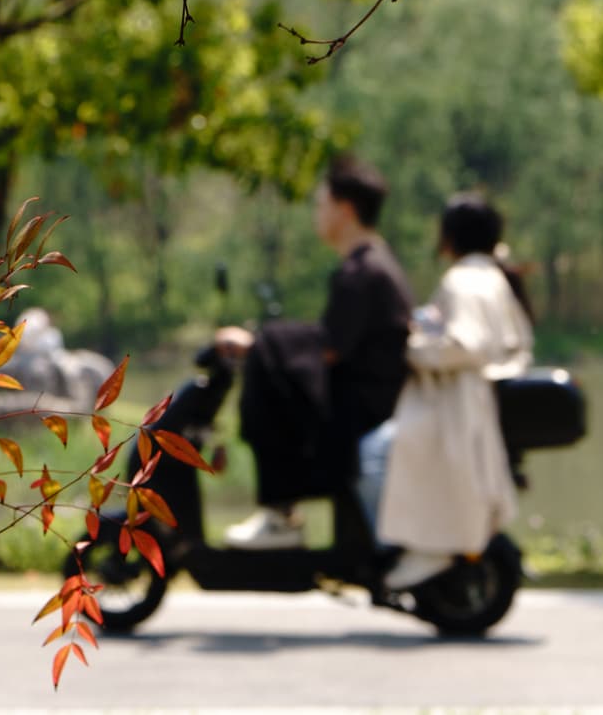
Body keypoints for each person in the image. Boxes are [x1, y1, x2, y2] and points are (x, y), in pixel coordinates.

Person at [216, 156, 415, 548]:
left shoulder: (364, 272)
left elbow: (328, 350)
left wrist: (261, 347)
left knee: (268, 372)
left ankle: (281, 514)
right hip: (368, 399)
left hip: (363, 409)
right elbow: (330, 341)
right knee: (271, 350)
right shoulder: (370, 266)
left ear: (345, 210)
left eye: (320, 205)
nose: (316, 215)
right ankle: (281, 514)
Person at [364, 192, 535, 589]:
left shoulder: (464, 281)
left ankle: (411, 544)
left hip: (453, 401)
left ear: (450, 235)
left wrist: (413, 347)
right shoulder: (489, 275)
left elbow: (463, 345)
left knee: (372, 453)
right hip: (466, 399)